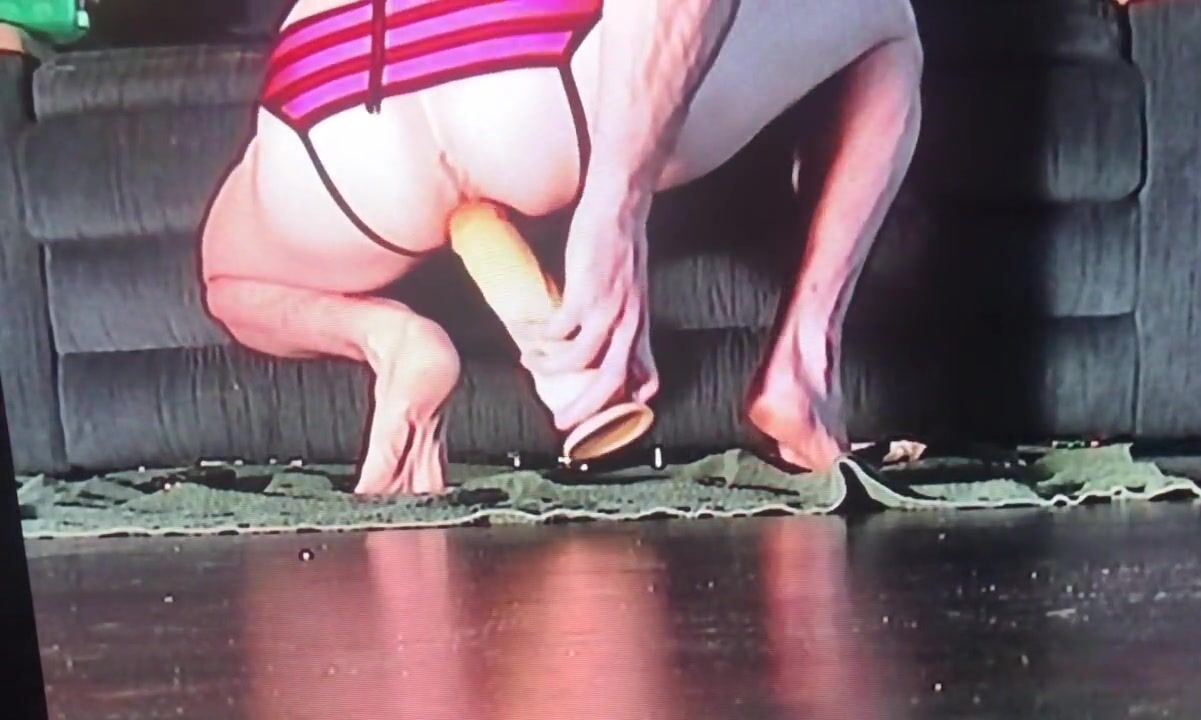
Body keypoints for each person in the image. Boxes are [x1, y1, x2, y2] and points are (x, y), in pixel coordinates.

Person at [199, 0, 923, 494]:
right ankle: (801, 373)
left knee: (229, 276)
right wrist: (617, 206)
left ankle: (393, 344)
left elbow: (226, 289)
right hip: (531, 59)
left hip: (333, 92)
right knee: (887, 20)